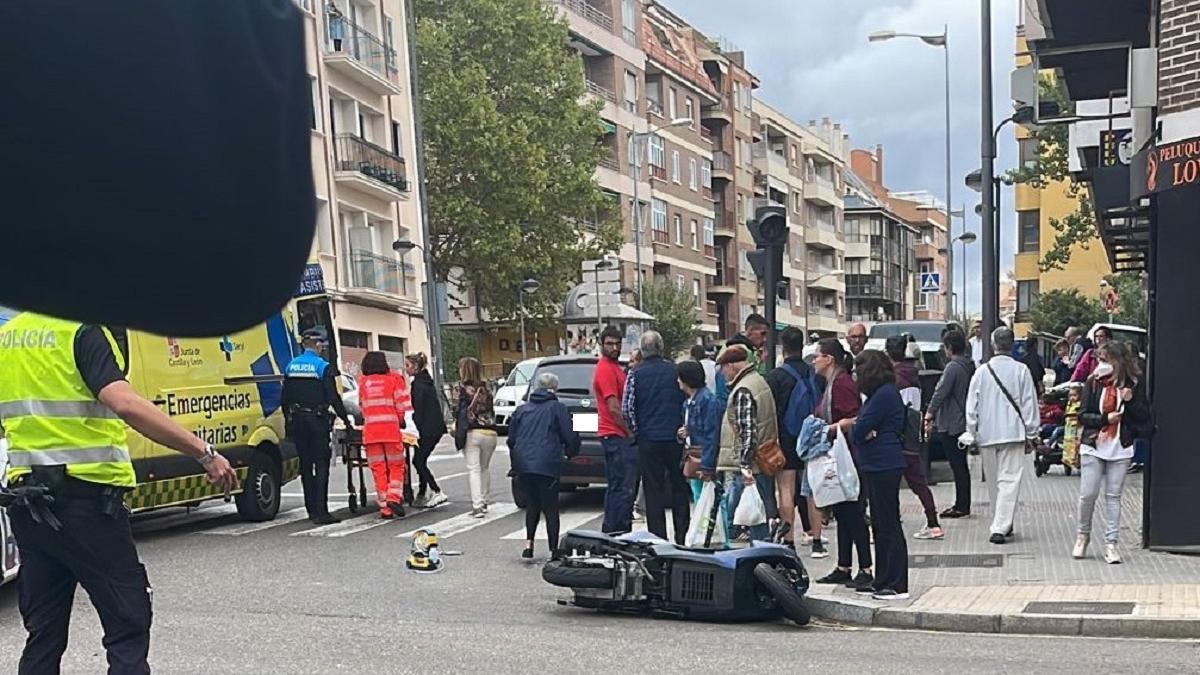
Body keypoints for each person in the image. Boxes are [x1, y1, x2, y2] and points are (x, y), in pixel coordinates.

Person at [0, 312, 238, 673]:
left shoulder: (8, 336)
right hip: (87, 504)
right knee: (127, 624)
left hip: (29, 505)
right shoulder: (80, 330)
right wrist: (203, 452)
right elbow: (124, 403)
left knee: (43, 634)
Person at [1074, 341, 1151, 564]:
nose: (1102, 364)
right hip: (1094, 444)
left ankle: (1111, 543)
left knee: (1113, 496)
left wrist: (1130, 401)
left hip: (1120, 445)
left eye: (1106, 360)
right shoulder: (1093, 382)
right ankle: (1082, 535)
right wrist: (1104, 419)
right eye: (1100, 359)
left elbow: (1144, 415)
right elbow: (1083, 415)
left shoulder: (1134, 384)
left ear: (1119, 362)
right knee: (1088, 494)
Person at [842, 350, 909, 600]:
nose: (856, 377)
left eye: (859, 371)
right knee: (880, 525)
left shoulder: (883, 395)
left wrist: (861, 428)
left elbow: (858, 430)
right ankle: (883, 579)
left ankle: (895, 582)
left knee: (888, 524)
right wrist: (864, 428)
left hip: (883, 464)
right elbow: (863, 427)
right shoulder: (882, 394)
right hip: (878, 463)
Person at [963, 327, 1040, 545]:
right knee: (1009, 480)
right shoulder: (1021, 370)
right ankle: (1001, 523)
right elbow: (1029, 404)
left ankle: (1000, 521)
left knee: (994, 481)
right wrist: (1031, 434)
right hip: (1013, 432)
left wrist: (972, 431)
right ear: (1013, 344)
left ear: (993, 344)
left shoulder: (981, 372)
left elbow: (972, 405)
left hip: (987, 434)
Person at [811, 338, 873, 586]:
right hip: (838, 457)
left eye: (817, 356)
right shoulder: (831, 383)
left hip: (849, 458)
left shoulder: (842, 384)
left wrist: (834, 428)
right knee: (843, 513)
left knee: (854, 514)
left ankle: (866, 569)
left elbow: (855, 417)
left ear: (829, 359)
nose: (814, 361)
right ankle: (844, 566)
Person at [623, 331, 689, 543]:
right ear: (661, 348)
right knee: (679, 486)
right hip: (674, 437)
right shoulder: (675, 371)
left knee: (653, 490)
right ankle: (681, 534)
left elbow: (628, 409)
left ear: (642, 351)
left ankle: (658, 537)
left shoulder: (635, 374)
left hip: (649, 439)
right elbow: (686, 401)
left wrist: (637, 430)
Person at [283, 328, 354, 524]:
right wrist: (346, 421)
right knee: (321, 464)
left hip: (298, 421)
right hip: (317, 421)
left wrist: (287, 421)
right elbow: (333, 397)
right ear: (317, 345)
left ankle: (311, 509)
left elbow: (285, 398)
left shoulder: (291, 366)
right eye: (321, 344)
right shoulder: (323, 367)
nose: (323, 347)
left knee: (306, 465)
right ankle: (322, 512)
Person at [508, 372, 580, 559]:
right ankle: (554, 549)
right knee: (550, 507)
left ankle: (529, 545)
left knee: (532, 504)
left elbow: (511, 439)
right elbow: (569, 435)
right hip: (547, 463)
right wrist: (571, 453)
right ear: (554, 389)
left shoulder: (522, 409)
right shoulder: (558, 408)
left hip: (523, 465)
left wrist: (516, 461)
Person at [715, 345, 778, 543]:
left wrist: (744, 465)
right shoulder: (758, 381)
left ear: (732, 365)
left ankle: (761, 561)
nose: (722, 373)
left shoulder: (743, 389)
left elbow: (748, 431)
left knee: (755, 518)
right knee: (760, 512)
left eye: (723, 368)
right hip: (764, 458)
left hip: (753, 465)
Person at [885, 336, 942, 540]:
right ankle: (933, 522)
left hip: (896, 437)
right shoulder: (914, 376)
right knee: (918, 482)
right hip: (913, 434)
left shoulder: (892, 379)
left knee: (889, 484)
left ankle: (890, 520)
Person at [765, 327, 818, 549]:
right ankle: (816, 539)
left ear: (782, 346)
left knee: (786, 489)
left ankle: (789, 540)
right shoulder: (814, 373)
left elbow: (770, 411)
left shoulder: (775, 376)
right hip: (813, 435)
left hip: (787, 438)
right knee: (812, 489)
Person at [926, 329, 976, 520]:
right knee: (960, 464)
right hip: (963, 419)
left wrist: (930, 413)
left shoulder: (953, 367)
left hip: (952, 422)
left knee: (957, 465)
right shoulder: (969, 366)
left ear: (948, 348)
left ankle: (961, 505)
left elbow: (941, 392)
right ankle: (963, 503)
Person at [357, 351, 411, 519]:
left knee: (378, 468)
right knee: (396, 466)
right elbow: (403, 405)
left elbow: (362, 407)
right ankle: (393, 497)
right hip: (390, 430)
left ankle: (385, 508)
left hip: (371, 432)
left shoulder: (363, 383)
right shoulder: (394, 379)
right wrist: (402, 420)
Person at [593, 325, 635, 534]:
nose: (614, 347)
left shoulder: (615, 367)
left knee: (618, 486)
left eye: (617, 344)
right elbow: (614, 407)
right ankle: (616, 531)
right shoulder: (605, 369)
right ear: (601, 345)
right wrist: (629, 432)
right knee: (622, 488)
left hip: (613, 433)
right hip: (614, 433)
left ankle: (614, 530)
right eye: (609, 344)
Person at [405, 353, 448, 508]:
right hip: (434, 427)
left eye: (408, 366)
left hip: (427, 428)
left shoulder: (418, 385)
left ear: (416, 367)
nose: (406, 369)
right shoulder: (426, 381)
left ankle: (436, 490)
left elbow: (419, 408)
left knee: (418, 461)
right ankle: (422, 493)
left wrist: (413, 424)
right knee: (419, 459)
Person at [677, 360, 722, 503]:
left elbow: (711, 435)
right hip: (693, 455)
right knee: (699, 497)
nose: (677, 381)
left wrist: (707, 466)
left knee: (709, 499)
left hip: (702, 457)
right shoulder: (687, 403)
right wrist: (682, 434)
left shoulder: (708, 401)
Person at [457, 357, 497, 518]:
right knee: (485, 468)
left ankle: (477, 506)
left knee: (473, 469)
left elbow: (458, 411)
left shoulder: (462, 389)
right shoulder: (486, 388)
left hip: (473, 432)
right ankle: (485, 501)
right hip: (491, 433)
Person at [715, 314, 769, 404]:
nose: (765, 339)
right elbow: (755, 383)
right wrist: (762, 363)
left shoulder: (731, 345)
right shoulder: (743, 351)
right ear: (750, 330)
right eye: (762, 334)